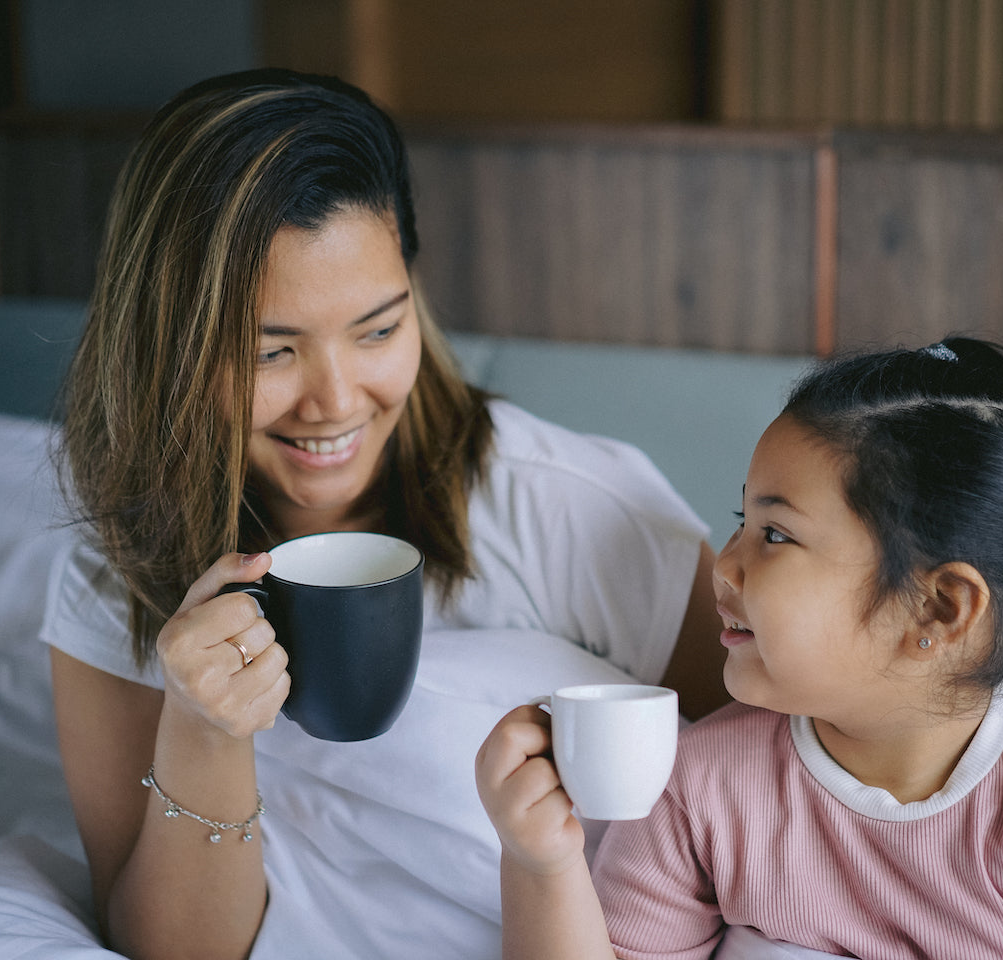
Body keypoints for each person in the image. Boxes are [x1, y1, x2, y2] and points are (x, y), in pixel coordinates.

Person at [42, 68, 726, 960]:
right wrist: (204, 732)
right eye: (270, 351)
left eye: (376, 332)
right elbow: (172, 947)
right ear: (166, 342)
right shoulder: (115, 573)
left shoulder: (569, 505)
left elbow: (776, 785)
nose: (335, 402)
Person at [476, 338, 1003, 959]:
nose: (727, 563)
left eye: (775, 534)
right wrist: (540, 862)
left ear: (939, 606)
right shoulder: (699, 785)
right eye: (742, 520)